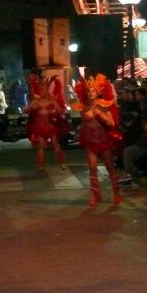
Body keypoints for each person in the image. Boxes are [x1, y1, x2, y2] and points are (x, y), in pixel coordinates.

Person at [72, 73, 122, 206]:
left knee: (109, 166)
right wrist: (81, 130)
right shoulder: (83, 108)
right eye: (88, 91)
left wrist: (99, 114)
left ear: (98, 92)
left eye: (93, 90)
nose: (90, 93)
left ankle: (116, 193)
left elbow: (112, 124)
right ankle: (95, 195)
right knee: (92, 167)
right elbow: (83, 123)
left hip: (104, 139)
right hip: (90, 140)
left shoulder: (104, 105)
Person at [24, 74, 68, 172]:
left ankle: (62, 163)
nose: (43, 90)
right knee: (41, 146)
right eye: (41, 89)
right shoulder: (36, 101)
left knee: (55, 144)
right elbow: (25, 110)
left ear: (47, 89)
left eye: (45, 88)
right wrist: (31, 108)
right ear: (39, 90)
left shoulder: (52, 100)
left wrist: (54, 108)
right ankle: (40, 166)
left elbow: (60, 110)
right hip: (39, 125)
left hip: (50, 125)